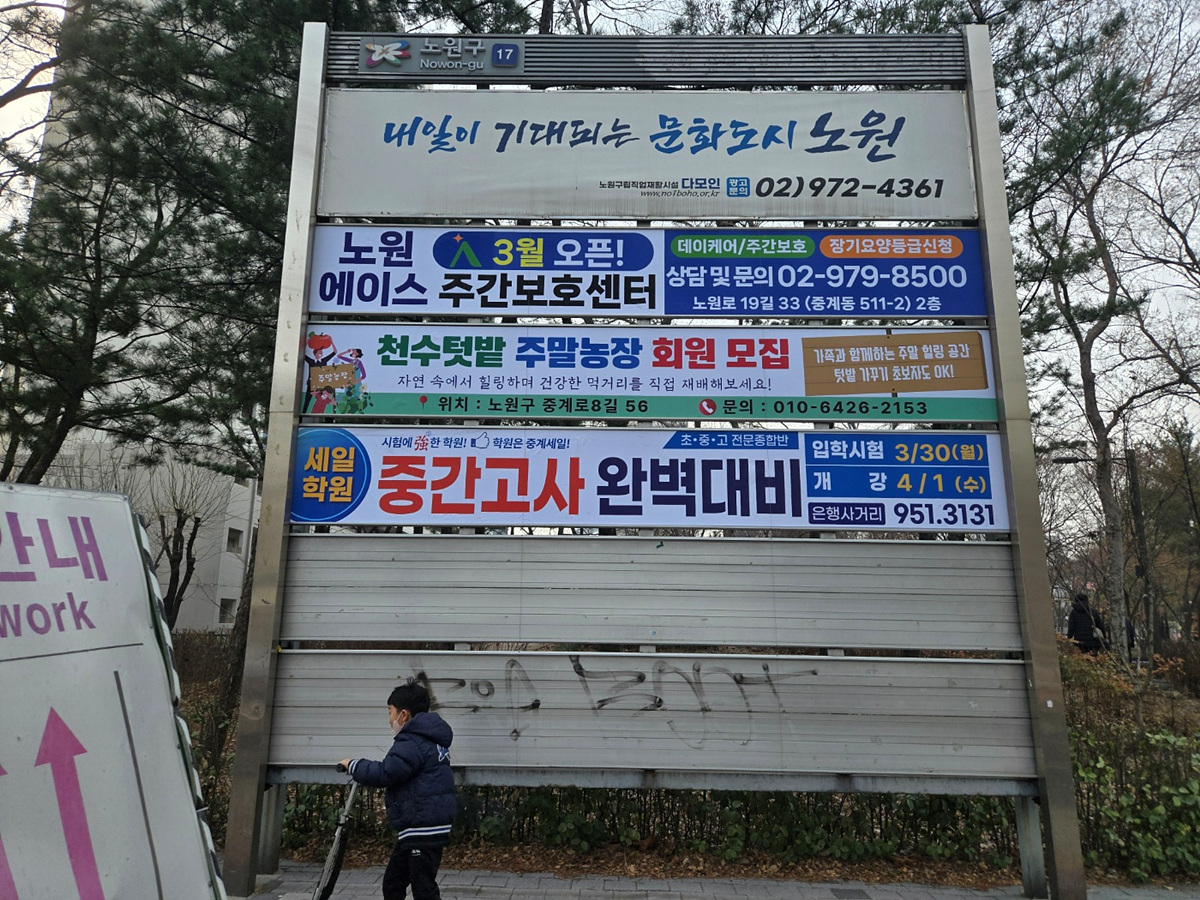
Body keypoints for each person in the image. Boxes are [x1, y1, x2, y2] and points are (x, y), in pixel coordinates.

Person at [338, 682, 456, 900]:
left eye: (390, 712)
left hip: (422, 828)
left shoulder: (412, 741)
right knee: (393, 884)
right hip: (421, 825)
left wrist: (353, 765)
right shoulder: (429, 738)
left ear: (403, 715)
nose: (389, 719)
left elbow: (387, 772)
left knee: (423, 889)